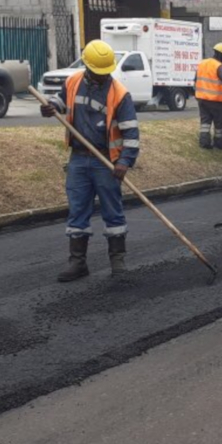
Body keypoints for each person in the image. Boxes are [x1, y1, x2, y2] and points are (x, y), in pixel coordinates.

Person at [40, 40, 140, 281]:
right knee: (77, 210)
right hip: (78, 159)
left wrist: (124, 161)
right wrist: (51, 107)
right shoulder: (73, 81)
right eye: (98, 72)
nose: (102, 77)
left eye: (105, 73)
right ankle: (77, 262)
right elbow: (60, 101)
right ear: (88, 67)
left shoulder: (119, 94)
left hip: (105, 162)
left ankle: (118, 261)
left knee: (112, 212)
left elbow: (131, 133)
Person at [194, 42, 222, 150]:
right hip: (214, 100)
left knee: (205, 121)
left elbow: (196, 79)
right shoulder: (218, 66)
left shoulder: (202, 63)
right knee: (219, 122)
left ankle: (204, 143)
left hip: (201, 99)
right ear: (220, 55)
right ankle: (219, 144)